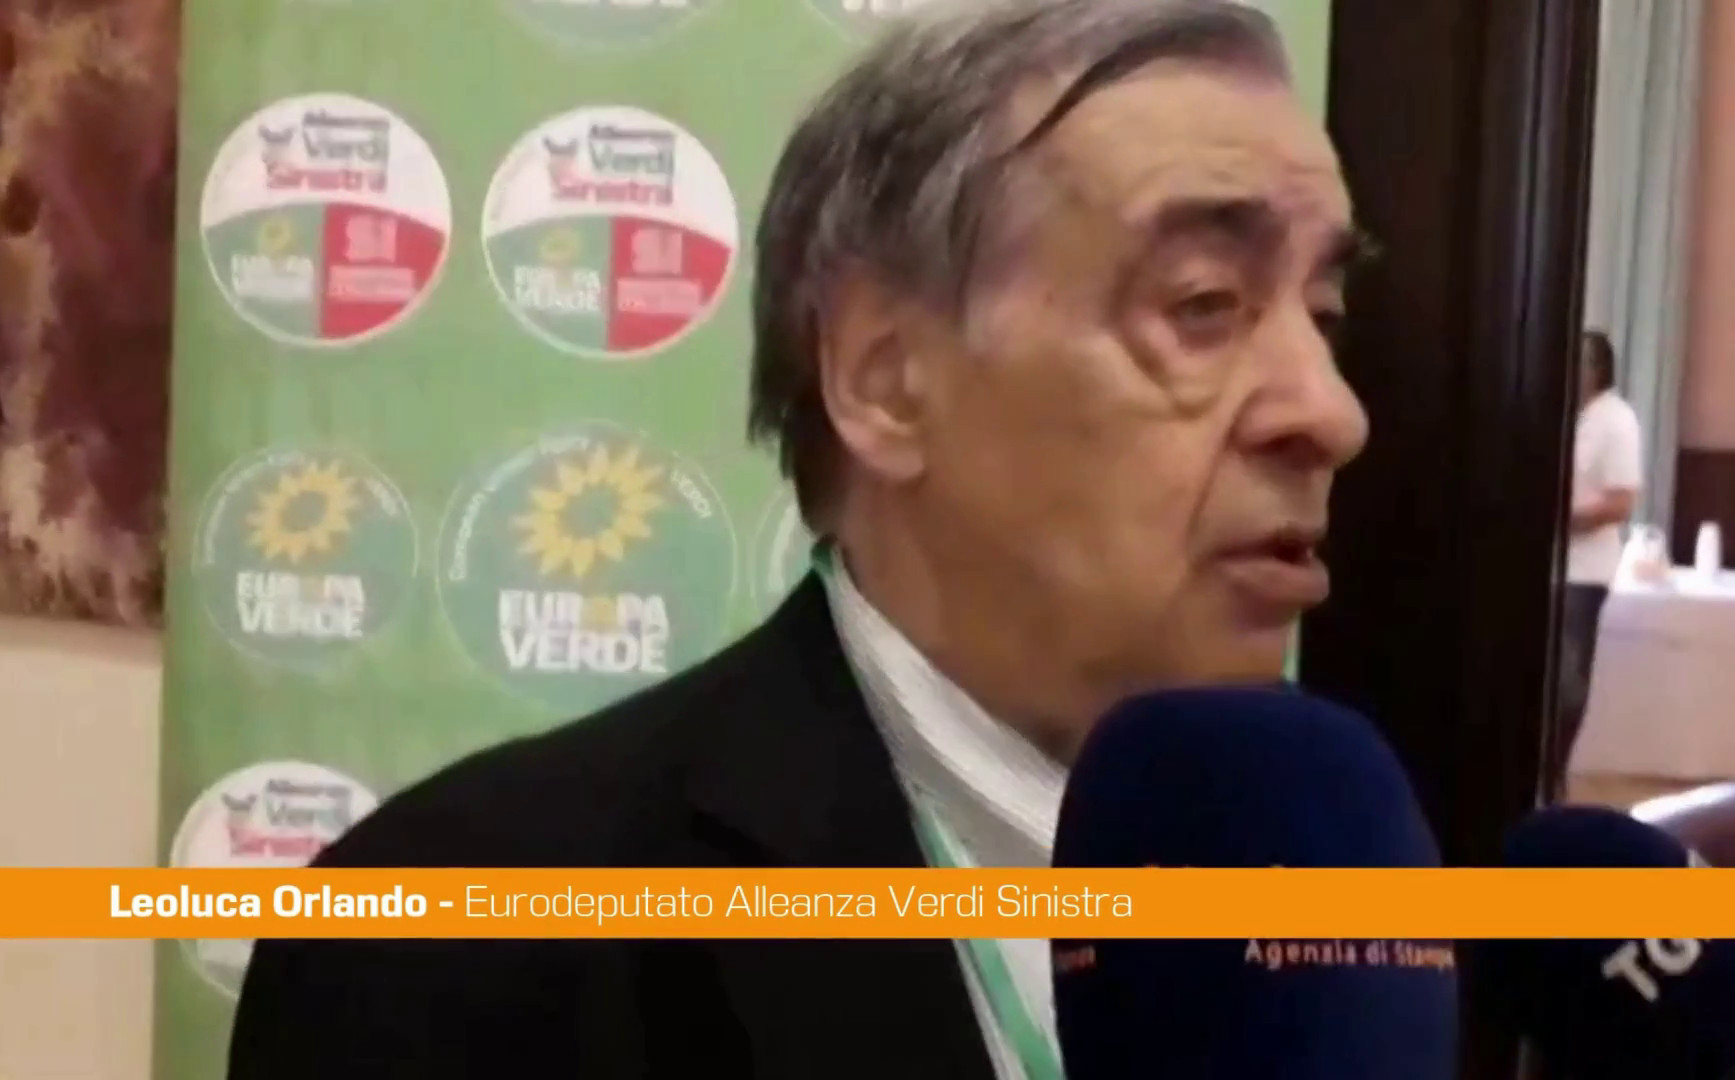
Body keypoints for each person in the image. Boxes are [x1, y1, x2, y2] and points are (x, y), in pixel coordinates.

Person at [228, 0, 1369, 1075]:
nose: (1330, 413)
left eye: (1324, 317)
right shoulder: (453, 944)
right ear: (884, 379)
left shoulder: (1353, 895)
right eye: (1203, 304)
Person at [1549, 330, 1643, 801]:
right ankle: (1540, 771)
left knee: (1568, 681)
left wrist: (1554, 519)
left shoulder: (1616, 420)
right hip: (1551, 567)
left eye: (1579, 361)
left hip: (1584, 573)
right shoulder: (1569, 414)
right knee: (1544, 677)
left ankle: (1556, 775)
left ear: (1598, 370)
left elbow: (1620, 503)